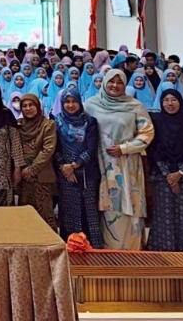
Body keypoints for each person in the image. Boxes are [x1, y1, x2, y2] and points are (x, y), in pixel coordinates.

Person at [85, 69, 155, 250]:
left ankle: (131, 252)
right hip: (100, 165)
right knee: (106, 207)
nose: (114, 85)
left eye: (119, 82)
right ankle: (108, 252)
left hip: (127, 165)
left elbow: (147, 133)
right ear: (104, 82)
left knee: (129, 205)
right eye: (111, 81)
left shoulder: (135, 106)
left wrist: (125, 148)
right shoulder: (91, 105)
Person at [146, 89, 183, 251]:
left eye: (174, 100)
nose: (170, 104)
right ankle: (164, 251)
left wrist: (179, 173)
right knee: (164, 215)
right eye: (166, 100)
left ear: (180, 102)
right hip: (161, 177)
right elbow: (154, 152)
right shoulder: (156, 123)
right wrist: (169, 176)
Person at [54, 88, 104, 247]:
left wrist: (75, 165)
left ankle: (92, 248)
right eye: (67, 102)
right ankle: (71, 246)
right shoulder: (56, 121)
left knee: (89, 210)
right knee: (69, 211)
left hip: (87, 173)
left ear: (80, 102)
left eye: (74, 101)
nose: (70, 105)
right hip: (65, 174)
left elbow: (91, 148)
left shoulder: (90, 121)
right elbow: (54, 148)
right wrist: (64, 167)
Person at [18, 93, 57, 230]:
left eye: (31, 105)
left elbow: (48, 150)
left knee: (44, 214)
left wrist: (32, 170)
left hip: (41, 176)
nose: (28, 108)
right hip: (23, 177)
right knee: (24, 214)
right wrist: (21, 169)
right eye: (24, 106)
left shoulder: (48, 125)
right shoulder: (18, 125)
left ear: (38, 107)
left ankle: (49, 242)